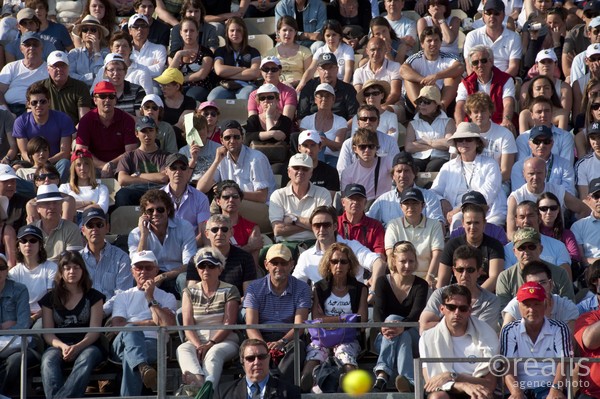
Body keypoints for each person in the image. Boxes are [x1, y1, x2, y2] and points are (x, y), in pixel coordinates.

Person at [300, 242, 368, 392]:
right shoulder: (319, 287)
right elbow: (317, 320)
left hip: (349, 337)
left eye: (343, 261)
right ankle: (305, 380)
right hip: (323, 337)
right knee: (314, 353)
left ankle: (352, 383)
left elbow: (361, 322)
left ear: (350, 265)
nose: (339, 265)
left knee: (345, 353)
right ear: (328, 264)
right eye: (334, 261)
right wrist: (346, 319)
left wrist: (329, 319)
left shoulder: (360, 288)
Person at [39, 251, 105, 399]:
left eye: (76, 267)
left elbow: (94, 332)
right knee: (48, 360)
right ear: (61, 272)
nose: (72, 271)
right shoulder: (49, 298)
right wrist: (63, 347)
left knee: (86, 357)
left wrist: (77, 347)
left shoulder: (94, 297)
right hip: (58, 345)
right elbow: (48, 333)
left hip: (88, 345)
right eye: (67, 268)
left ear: (83, 270)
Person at [110, 250, 177, 396]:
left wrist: (150, 297)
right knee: (131, 330)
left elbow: (169, 325)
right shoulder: (123, 296)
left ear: (156, 270)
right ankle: (142, 365)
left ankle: (142, 366)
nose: (143, 272)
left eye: (148, 267)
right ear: (132, 271)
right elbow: (116, 327)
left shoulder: (167, 297)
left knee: (132, 355)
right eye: (138, 268)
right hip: (122, 343)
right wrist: (150, 322)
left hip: (153, 344)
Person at [244, 244, 311, 382]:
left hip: (289, 338)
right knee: (251, 349)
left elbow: (299, 326)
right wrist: (263, 345)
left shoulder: (302, 288)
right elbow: (251, 325)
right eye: (274, 263)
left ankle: (274, 385)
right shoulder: (254, 288)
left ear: (292, 264)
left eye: (283, 263)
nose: (279, 267)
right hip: (260, 336)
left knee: (298, 346)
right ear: (266, 264)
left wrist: (282, 341)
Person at [177, 247, 240, 394]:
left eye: (211, 265)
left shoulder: (230, 290)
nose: (206, 269)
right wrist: (199, 345)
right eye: (202, 266)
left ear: (220, 268)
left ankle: (202, 389)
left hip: (225, 339)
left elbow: (228, 324)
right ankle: (201, 386)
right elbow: (188, 325)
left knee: (214, 354)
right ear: (197, 269)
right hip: (196, 339)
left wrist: (210, 344)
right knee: (182, 349)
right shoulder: (189, 291)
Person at [419, 284, 499, 398]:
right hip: (446, 391)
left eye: (463, 308)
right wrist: (463, 385)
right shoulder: (428, 338)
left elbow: (490, 384)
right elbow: (432, 383)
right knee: (437, 397)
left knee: (482, 396)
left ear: (469, 310)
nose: (457, 312)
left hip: (476, 391)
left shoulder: (487, 335)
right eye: (451, 307)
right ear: (442, 309)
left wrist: (452, 376)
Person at [372, 241, 428, 393]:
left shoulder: (421, 285)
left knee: (395, 323)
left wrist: (399, 326)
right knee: (398, 330)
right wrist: (385, 326)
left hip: (414, 335)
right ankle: (409, 381)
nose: (407, 266)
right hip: (385, 336)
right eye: (403, 261)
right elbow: (377, 314)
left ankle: (382, 374)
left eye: (411, 261)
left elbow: (416, 314)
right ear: (394, 261)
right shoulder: (382, 282)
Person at [500, 281, 571, 399]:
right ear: (519, 306)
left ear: (546, 304)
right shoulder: (509, 330)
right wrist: (516, 392)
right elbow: (507, 366)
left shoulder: (559, 328)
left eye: (536, 304)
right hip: (519, 388)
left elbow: (565, 362)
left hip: (550, 387)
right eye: (526, 305)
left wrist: (555, 390)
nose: (531, 309)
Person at [431, 122, 506, 229]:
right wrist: (442, 201)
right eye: (460, 140)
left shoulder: (490, 164)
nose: (464, 142)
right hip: (452, 213)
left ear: (477, 143)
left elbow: (487, 194)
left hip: (487, 212)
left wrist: (459, 209)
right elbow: (433, 192)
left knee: (458, 219)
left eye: (469, 139)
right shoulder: (448, 167)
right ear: (456, 144)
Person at [294, 206, 386, 288]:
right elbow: (295, 284)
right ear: (312, 228)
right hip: (321, 304)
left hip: (354, 303)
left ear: (335, 226)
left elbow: (379, 263)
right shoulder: (306, 256)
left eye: (326, 225)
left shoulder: (352, 246)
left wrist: (374, 289)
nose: (321, 229)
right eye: (317, 225)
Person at [128, 189, 197, 296]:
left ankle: (187, 311)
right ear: (144, 214)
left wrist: (162, 276)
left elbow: (189, 264)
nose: (155, 213)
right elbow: (138, 264)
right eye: (150, 211)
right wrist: (144, 235)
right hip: (150, 274)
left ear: (168, 210)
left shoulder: (184, 227)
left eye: (160, 209)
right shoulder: (136, 234)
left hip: (176, 274)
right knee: (137, 278)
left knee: (185, 279)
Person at [419, 245, 501, 333]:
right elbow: (424, 326)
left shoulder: (491, 301)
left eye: (470, 270)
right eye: (460, 270)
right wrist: (465, 326)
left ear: (479, 272)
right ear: (454, 271)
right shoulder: (440, 294)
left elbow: (483, 333)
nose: (464, 275)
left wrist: (444, 325)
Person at [507, 156, 589, 242]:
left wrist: (575, 233)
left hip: (557, 242)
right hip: (528, 246)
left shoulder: (558, 191)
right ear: (524, 174)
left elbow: (584, 210)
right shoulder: (516, 197)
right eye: (531, 173)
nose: (535, 177)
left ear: (546, 173)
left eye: (539, 173)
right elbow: (510, 233)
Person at [196, 120, 276, 204]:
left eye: (236, 137)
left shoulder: (256, 159)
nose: (232, 141)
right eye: (227, 138)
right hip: (236, 202)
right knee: (216, 204)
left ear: (242, 138)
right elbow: (201, 189)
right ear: (221, 140)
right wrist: (216, 161)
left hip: (260, 206)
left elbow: (262, 197)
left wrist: (233, 193)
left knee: (226, 204)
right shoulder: (221, 158)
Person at [496, 227, 574, 310]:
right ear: (514, 252)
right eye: (521, 248)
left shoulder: (560, 273)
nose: (526, 252)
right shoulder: (505, 277)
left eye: (531, 247)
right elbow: (502, 311)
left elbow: (569, 306)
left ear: (540, 249)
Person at [12, 82, 74, 182]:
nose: (39, 105)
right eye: (34, 102)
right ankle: (37, 191)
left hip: (54, 163)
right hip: (31, 163)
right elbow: (24, 152)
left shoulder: (63, 119)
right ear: (28, 104)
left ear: (49, 102)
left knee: (65, 163)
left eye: (43, 101)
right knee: (15, 169)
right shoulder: (20, 122)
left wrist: (45, 162)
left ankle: (55, 190)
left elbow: (65, 152)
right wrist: (37, 164)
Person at [437, 202, 504, 292]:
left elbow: (494, 278)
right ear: (463, 223)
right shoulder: (452, 245)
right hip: (456, 295)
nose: (472, 227)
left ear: (484, 223)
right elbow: (442, 281)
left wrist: (474, 297)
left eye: (476, 223)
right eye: (469, 223)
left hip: (485, 296)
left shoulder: (495, 245)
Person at [75, 81, 137, 179]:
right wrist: (103, 166)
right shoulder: (86, 120)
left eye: (111, 96)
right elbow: (81, 151)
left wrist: (111, 164)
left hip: (122, 166)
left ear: (115, 100)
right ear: (95, 100)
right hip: (93, 166)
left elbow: (131, 152)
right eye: (103, 96)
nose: (107, 100)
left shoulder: (126, 119)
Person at [385, 188, 444, 288]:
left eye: (415, 203)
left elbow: (437, 255)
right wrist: (397, 280)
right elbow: (390, 255)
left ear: (423, 205)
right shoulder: (393, 225)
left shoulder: (435, 225)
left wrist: (429, 278)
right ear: (401, 206)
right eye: (406, 203)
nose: (410, 207)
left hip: (427, 278)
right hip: (400, 278)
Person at [183, 215, 256, 296]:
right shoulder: (196, 260)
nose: (220, 233)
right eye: (214, 230)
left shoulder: (245, 258)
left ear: (231, 232)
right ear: (207, 234)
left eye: (224, 229)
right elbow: (192, 294)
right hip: (204, 305)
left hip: (237, 305)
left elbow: (249, 295)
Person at [368, 152, 445, 227]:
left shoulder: (429, 197)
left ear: (414, 173)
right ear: (393, 176)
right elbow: (368, 223)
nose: (402, 175)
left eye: (406, 171)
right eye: (399, 171)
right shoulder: (383, 201)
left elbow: (438, 225)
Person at [79, 208, 132, 315]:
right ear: (83, 230)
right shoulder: (76, 259)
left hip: (113, 313)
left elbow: (123, 293)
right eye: (90, 225)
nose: (95, 229)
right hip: (82, 314)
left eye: (99, 224)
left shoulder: (122, 258)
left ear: (107, 228)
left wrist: (101, 312)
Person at [269, 153, 332, 243]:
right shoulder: (277, 195)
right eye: (296, 168)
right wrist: (312, 224)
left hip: (315, 243)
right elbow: (278, 230)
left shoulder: (323, 193)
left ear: (311, 173)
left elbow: (323, 226)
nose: (300, 172)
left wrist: (295, 219)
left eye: (305, 169)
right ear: (289, 172)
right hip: (285, 245)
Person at [454, 45, 516, 133]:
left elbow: (508, 102)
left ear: (491, 62)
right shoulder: (465, 83)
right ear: (472, 67)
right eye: (475, 63)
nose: (480, 65)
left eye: (483, 61)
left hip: (499, 125)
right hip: (473, 127)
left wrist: (506, 119)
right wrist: (460, 126)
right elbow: (460, 106)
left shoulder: (505, 79)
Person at [400, 26, 463, 110]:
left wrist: (436, 76)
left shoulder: (448, 57)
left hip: (443, 97)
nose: (433, 43)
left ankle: (441, 109)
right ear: (422, 44)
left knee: (454, 76)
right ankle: (419, 110)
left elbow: (460, 67)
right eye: (429, 41)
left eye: (436, 40)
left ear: (441, 43)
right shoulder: (416, 58)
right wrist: (424, 80)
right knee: (409, 79)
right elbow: (403, 70)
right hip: (420, 97)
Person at [0, 252, 36, 398]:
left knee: (16, 360)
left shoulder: (19, 289)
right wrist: (5, 327)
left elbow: (23, 325)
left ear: (7, 270)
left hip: (19, 345)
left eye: (1, 267)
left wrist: (2, 329)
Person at [215, 338, 301, 399]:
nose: (257, 362)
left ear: (268, 358)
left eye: (262, 357)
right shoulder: (223, 392)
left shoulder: (290, 392)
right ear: (242, 362)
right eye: (250, 358)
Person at [501, 262, 578, 329]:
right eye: (533, 284)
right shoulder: (515, 306)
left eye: (543, 282)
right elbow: (505, 340)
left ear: (551, 284)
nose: (539, 288)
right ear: (525, 286)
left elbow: (569, 343)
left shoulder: (567, 307)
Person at [464, 92, 516, 189]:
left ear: (490, 112)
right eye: (476, 111)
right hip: (468, 183)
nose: (480, 115)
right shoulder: (462, 135)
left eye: (483, 111)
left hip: (499, 183)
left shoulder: (505, 135)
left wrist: (485, 185)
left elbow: (506, 172)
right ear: (469, 114)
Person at [115, 116, 169, 207]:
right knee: (122, 194)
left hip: (159, 190)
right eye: (143, 131)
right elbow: (122, 179)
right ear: (136, 133)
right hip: (136, 191)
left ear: (156, 132)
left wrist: (138, 175)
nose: (147, 135)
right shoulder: (128, 156)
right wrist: (151, 180)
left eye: (151, 130)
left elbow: (163, 177)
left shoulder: (166, 156)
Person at [505, 201, 572, 271]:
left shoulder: (558, 246)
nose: (526, 221)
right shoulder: (508, 249)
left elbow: (564, 278)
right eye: (522, 217)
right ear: (516, 221)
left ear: (539, 218)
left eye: (530, 216)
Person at [511, 124, 575, 196]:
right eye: (537, 141)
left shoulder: (565, 165)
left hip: (555, 206)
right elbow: (519, 195)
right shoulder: (519, 166)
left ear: (552, 143)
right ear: (529, 143)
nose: (542, 145)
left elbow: (569, 194)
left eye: (546, 141)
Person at [10, 224, 56, 323]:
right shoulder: (13, 273)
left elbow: (52, 301)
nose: (28, 244)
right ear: (18, 246)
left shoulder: (52, 268)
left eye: (33, 240)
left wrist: (34, 317)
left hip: (45, 315)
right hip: (19, 316)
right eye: (23, 241)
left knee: (37, 331)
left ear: (40, 245)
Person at [463, 0, 522, 78]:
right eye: (489, 13)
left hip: (504, 80)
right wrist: (480, 83)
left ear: (503, 16)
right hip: (478, 80)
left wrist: (497, 83)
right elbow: (469, 66)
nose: (492, 16)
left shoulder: (514, 38)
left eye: (496, 13)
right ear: (483, 15)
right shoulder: (472, 36)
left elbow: (513, 67)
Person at [162, 153, 210, 245]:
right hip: (164, 247)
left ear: (188, 171)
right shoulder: (157, 197)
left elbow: (203, 233)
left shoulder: (201, 198)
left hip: (193, 247)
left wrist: (186, 248)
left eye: (182, 168)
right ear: (166, 171)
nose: (178, 171)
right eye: (173, 168)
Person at [207, 17, 260, 101]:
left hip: (246, 85)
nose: (235, 33)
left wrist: (227, 73)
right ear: (227, 33)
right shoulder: (220, 51)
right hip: (225, 85)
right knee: (213, 98)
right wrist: (243, 69)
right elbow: (219, 71)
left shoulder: (253, 51)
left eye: (239, 30)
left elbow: (254, 73)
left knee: (245, 97)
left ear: (244, 32)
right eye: (232, 30)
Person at [405, 85, 454, 172]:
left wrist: (426, 142)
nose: (422, 104)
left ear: (436, 104)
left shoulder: (448, 121)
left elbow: (449, 143)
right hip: (419, 157)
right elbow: (408, 147)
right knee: (413, 166)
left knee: (433, 167)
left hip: (440, 157)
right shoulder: (413, 123)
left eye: (426, 102)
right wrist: (435, 144)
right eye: (420, 102)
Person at [297, 53, 359, 121]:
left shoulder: (348, 90)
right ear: (318, 70)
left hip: (342, 128)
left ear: (337, 69)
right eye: (323, 68)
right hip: (312, 128)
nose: (327, 72)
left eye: (331, 68)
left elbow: (354, 117)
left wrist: (341, 130)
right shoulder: (308, 88)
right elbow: (301, 117)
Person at [299, 83, 348, 168]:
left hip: (333, 157)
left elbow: (338, 146)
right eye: (320, 96)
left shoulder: (341, 121)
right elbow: (304, 143)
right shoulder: (306, 120)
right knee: (317, 137)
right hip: (310, 157)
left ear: (333, 100)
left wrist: (325, 142)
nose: (324, 99)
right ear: (315, 100)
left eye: (327, 96)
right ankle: (318, 168)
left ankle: (318, 169)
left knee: (318, 137)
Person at [168, 16, 216, 102]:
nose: (188, 34)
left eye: (192, 30)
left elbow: (202, 75)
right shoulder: (175, 54)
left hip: (200, 87)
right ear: (180, 33)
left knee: (189, 98)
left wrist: (180, 80)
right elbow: (170, 75)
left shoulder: (206, 53)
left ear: (197, 32)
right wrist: (178, 55)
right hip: (178, 88)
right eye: (185, 31)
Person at [0, 32, 49, 116]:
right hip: (10, 110)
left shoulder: (49, 69)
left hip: (38, 111)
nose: (31, 48)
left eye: (35, 44)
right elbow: (0, 91)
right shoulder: (11, 67)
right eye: (27, 45)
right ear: (21, 48)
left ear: (41, 48)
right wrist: (6, 111)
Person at [297, 20, 355, 90]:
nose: (331, 38)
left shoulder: (347, 49)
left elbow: (348, 70)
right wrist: (301, 84)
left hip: (341, 84)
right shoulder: (320, 50)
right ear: (324, 37)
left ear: (340, 36)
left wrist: (344, 89)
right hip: (323, 85)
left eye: (334, 35)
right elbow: (311, 69)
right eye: (328, 35)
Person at [214, 180, 263, 263]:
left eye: (235, 196)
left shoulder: (252, 228)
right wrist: (249, 247)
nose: (231, 200)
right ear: (218, 201)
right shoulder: (210, 227)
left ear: (240, 200)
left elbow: (253, 265)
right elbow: (215, 257)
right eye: (226, 197)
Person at [32, 184, 84, 262]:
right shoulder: (31, 230)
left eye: (55, 203)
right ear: (38, 208)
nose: (52, 206)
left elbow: (73, 262)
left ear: (61, 206)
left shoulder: (72, 229)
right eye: (47, 203)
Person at [515, 96, 575, 164]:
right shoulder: (523, 138)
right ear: (532, 115)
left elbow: (566, 165)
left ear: (552, 113)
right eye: (539, 112)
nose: (543, 115)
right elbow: (522, 165)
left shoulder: (565, 137)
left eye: (547, 111)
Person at [40, 50, 92, 126]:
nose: (59, 69)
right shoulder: (39, 88)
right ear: (48, 69)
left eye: (63, 66)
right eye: (55, 66)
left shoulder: (81, 87)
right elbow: (33, 117)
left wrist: (71, 134)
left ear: (68, 68)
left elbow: (83, 120)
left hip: (74, 133)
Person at [340, 128, 393, 201]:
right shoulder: (348, 172)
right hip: (361, 208)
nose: (367, 150)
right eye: (362, 147)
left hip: (385, 205)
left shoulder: (387, 162)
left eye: (371, 146)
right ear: (355, 149)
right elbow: (345, 200)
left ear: (376, 148)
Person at [338, 184, 385, 255]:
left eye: (359, 199)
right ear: (343, 202)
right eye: (351, 198)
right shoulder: (334, 223)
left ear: (365, 202)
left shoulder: (376, 226)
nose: (355, 202)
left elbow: (380, 255)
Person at [59, 149, 109, 216]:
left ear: (91, 166)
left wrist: (72, 206)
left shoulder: (101, 188)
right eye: (78, 165)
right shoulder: (65, 187)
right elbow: (59, 206)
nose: (82, 168)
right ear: (74, 168)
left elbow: (103, 208)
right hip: (72, 221)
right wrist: (88, 203)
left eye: (86, 164)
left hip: (91, 220)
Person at [266, 16, 312, 88]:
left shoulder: (305, 51)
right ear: (278, 32)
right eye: (284, 30)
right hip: (276, 88)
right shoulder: (271, 53)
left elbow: (309, 75)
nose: (287, 33)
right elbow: (267, 75)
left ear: (295, 32)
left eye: (291, 30)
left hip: (299, 88)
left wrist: (297, 83)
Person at [248, 56, 298, 121]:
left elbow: (287, 121)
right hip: (261, 129)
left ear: (280, 71)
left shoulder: (289, 92)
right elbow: (252, 121)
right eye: (266, 69)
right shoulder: (253, 94)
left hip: (283, 129)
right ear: (261, 71)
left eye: (274, 69)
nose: (269, 72)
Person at [537, 192, 581, 263]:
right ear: (538, 211)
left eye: (553, 208)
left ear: (558, 210)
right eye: (544, 208)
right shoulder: (534, 233)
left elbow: (575, 256)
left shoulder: (566, 234)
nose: (549, 212)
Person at [67, 15, 110, 87]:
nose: (89, 32)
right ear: (81, 34)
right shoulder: (74, 53)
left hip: (99, 90)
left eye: (93, 30)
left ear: (99, 34)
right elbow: (69, 75)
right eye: (85, 30)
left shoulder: (106, 53)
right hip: (78, 90)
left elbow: (103, 76)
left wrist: (97, 51)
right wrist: (90, 77)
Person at [154, 67, 196, 137]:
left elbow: (181, 125)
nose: (162, 88)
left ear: (177, 86)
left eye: (166, 85)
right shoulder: (158, 100)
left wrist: (164, 135)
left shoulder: (189, 102)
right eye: (161, 85)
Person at [571, 178, 600, 267]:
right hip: (592, 272)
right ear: (589, 199)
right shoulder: (578, 226)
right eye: (597, 196)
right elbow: (581, 260)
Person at [128, 14, 167, 79]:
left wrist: (132, 69)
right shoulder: (124, 49)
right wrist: (150, 67)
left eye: (143, 26)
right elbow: (122, 72)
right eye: (136, 26)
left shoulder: (159, 49)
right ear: (130, 31)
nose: (140, 29)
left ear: (148, 30)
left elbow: (158, 71)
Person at [576, 123, 600, 198]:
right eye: (593, 138)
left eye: (599, 137)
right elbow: (585, 199)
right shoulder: (583, 164)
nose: (596, 142)